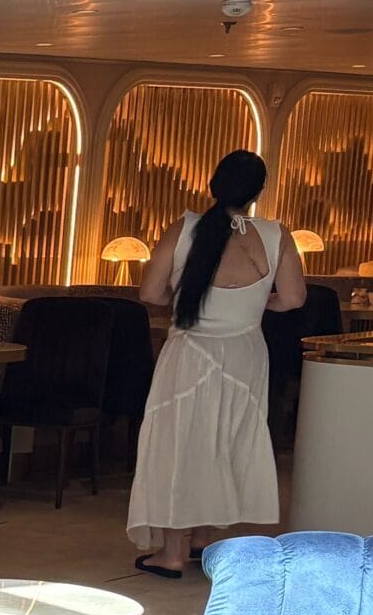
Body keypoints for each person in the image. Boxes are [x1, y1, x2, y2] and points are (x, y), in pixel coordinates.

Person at [126, 151, 305, 579]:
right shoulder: (276, 234)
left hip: (190, 351)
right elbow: (295, 298)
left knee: (179, 444)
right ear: (258, 191)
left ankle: (171, 552)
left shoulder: (186, 227)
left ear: (213, 182)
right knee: (224, 439)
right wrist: (250, 306)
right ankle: (204, 539)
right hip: (245, 351)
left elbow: (151, 293)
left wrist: (194, 303)